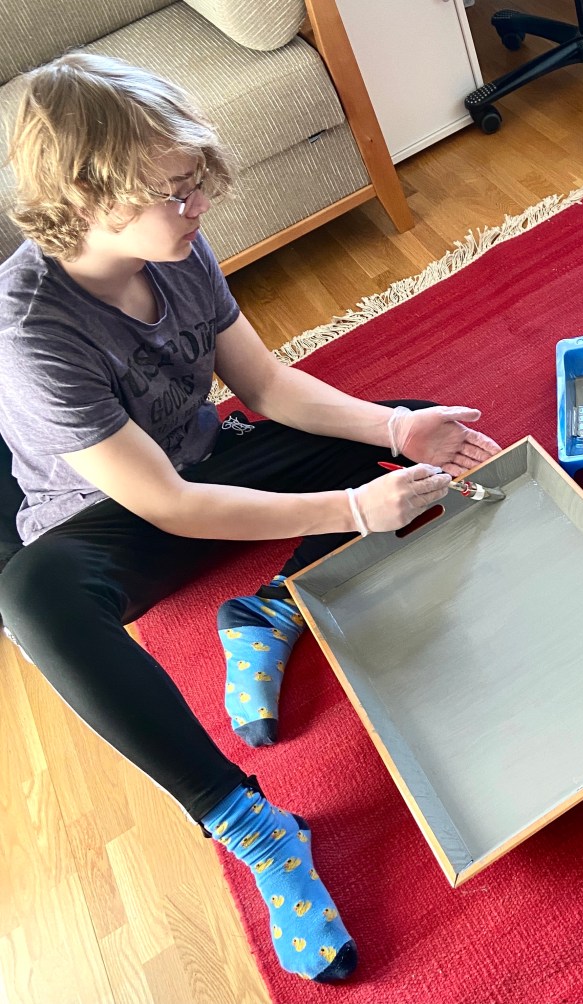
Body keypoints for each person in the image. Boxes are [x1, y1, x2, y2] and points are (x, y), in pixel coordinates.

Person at [0, 53, 500, 983]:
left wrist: (397, 429)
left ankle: (269, 608)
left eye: (196, 180)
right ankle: (255, 829)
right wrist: (352, 510)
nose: (200, 205)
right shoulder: (32, 331)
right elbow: (164, 504)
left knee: (405, 426)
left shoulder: (177, 248)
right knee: (33, 601)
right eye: (175, 192)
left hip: (205, 457)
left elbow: (264, 386)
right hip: (108, 519)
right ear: (85, 198)